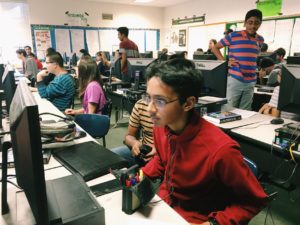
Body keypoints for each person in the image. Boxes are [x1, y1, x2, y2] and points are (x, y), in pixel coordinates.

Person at [142, 60, 267, 225]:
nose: (150, 108)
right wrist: (140, 176)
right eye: (148, 98)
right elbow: (163, 158)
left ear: (188, 103)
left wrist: (214, 223)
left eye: (160, 101)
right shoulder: (162, 127)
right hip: (165, 205)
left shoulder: (221, 150)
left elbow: (253, 201)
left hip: (198, 217)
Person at [212, 9, 264, 110]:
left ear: (260, 24)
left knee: (246, 110)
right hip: (235, 78)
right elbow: (215, 48)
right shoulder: (233, 36)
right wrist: (225, 62)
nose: (253, 26)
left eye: (257, 23)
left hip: (251, 80)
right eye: (250, 22)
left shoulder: (260, 40)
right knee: (229, 109)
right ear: (245, 23)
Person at [111, 98, 155, 167]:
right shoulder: (141, 105)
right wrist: (134, 143)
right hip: (143, 151)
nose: (149, 109)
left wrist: (160, 151)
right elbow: (129, 136)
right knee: (108, 157)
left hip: (166, 156)